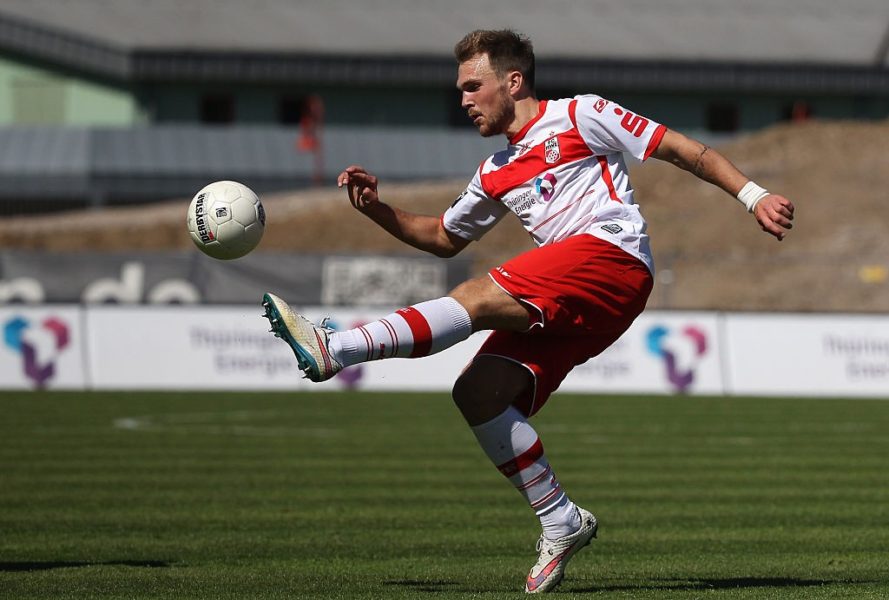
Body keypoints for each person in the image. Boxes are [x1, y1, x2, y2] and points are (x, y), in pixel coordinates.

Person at [262, 29, 795, 594]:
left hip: (612, 256)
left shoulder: (581, 115)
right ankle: (561, 520)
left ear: (512, 82)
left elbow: (684, 150)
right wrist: (375, 209)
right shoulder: (495, 170)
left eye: (473, 86)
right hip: (574, 294)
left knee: (475, 295)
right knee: (479, 395)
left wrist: (752, 194)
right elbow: (443, 236)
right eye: (460, 89)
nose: (463, 99)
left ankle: (336, 348)